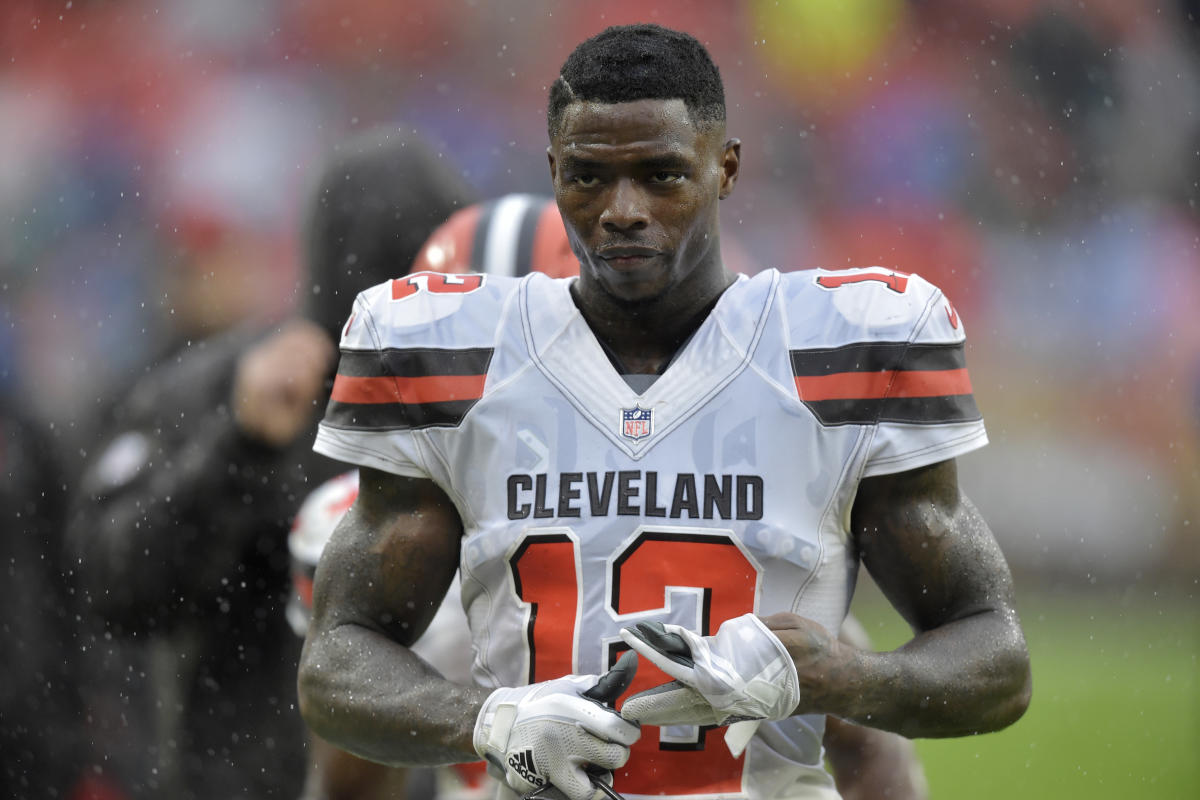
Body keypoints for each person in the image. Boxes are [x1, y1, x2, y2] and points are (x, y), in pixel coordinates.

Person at [298, 23, 1031, 800]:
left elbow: (995, 658)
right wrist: (491, 722)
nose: (622, 210)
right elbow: (337, 666)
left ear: (727, 168)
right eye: (587, 176)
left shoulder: (842, 349)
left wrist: (841, 679)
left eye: (661, 176)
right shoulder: (446, 355)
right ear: (552, 172)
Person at [300, 193, 926, 800]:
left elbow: (862, 733)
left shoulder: (716, 492)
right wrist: (488, 725)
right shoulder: (370, 520)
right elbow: (349, 764)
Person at [66, 127, 475, 800]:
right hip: (250, 777)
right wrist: (240, 446)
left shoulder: (489, 397)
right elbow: (113, 585)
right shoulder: (223, 388)